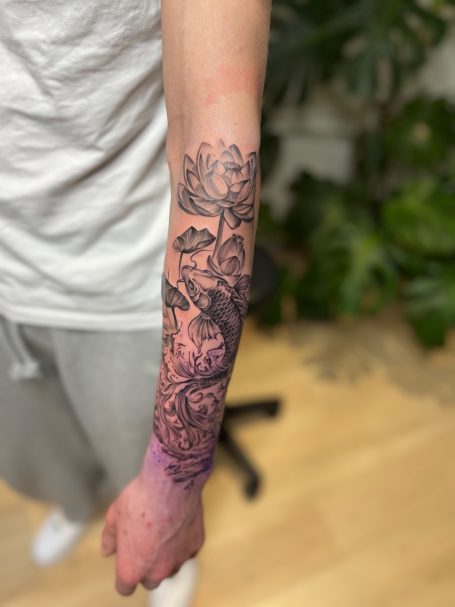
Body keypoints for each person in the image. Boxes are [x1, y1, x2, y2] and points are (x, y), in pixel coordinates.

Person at [0, 0, 271, 604]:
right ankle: (74, 503)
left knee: (135, 462)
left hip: (123, 281)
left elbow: (218, 144)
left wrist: (175, 486)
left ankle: (172, 558)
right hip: (8, 270)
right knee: (38, 451)